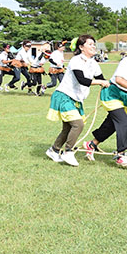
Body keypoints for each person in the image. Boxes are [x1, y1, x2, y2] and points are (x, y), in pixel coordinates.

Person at [83, 37, 127, 166]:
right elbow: (119, 79)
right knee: (123, 122)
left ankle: (91, 144)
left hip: (124, 96)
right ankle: (122, 154)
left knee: (112, 125)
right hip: (113, 92)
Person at [45, 35, 109, 167]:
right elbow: (82, 80)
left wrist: (108, 84)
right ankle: (68, 152)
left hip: (76, 99)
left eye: (94, 44)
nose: (93, 46)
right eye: (90, 44)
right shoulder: (75, 60)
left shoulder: (94, 63)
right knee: (78, 124)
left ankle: (54, 150)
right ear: (81, 47)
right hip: (64, 96)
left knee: (68, 128)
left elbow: (102, 78)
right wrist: (100, 82)